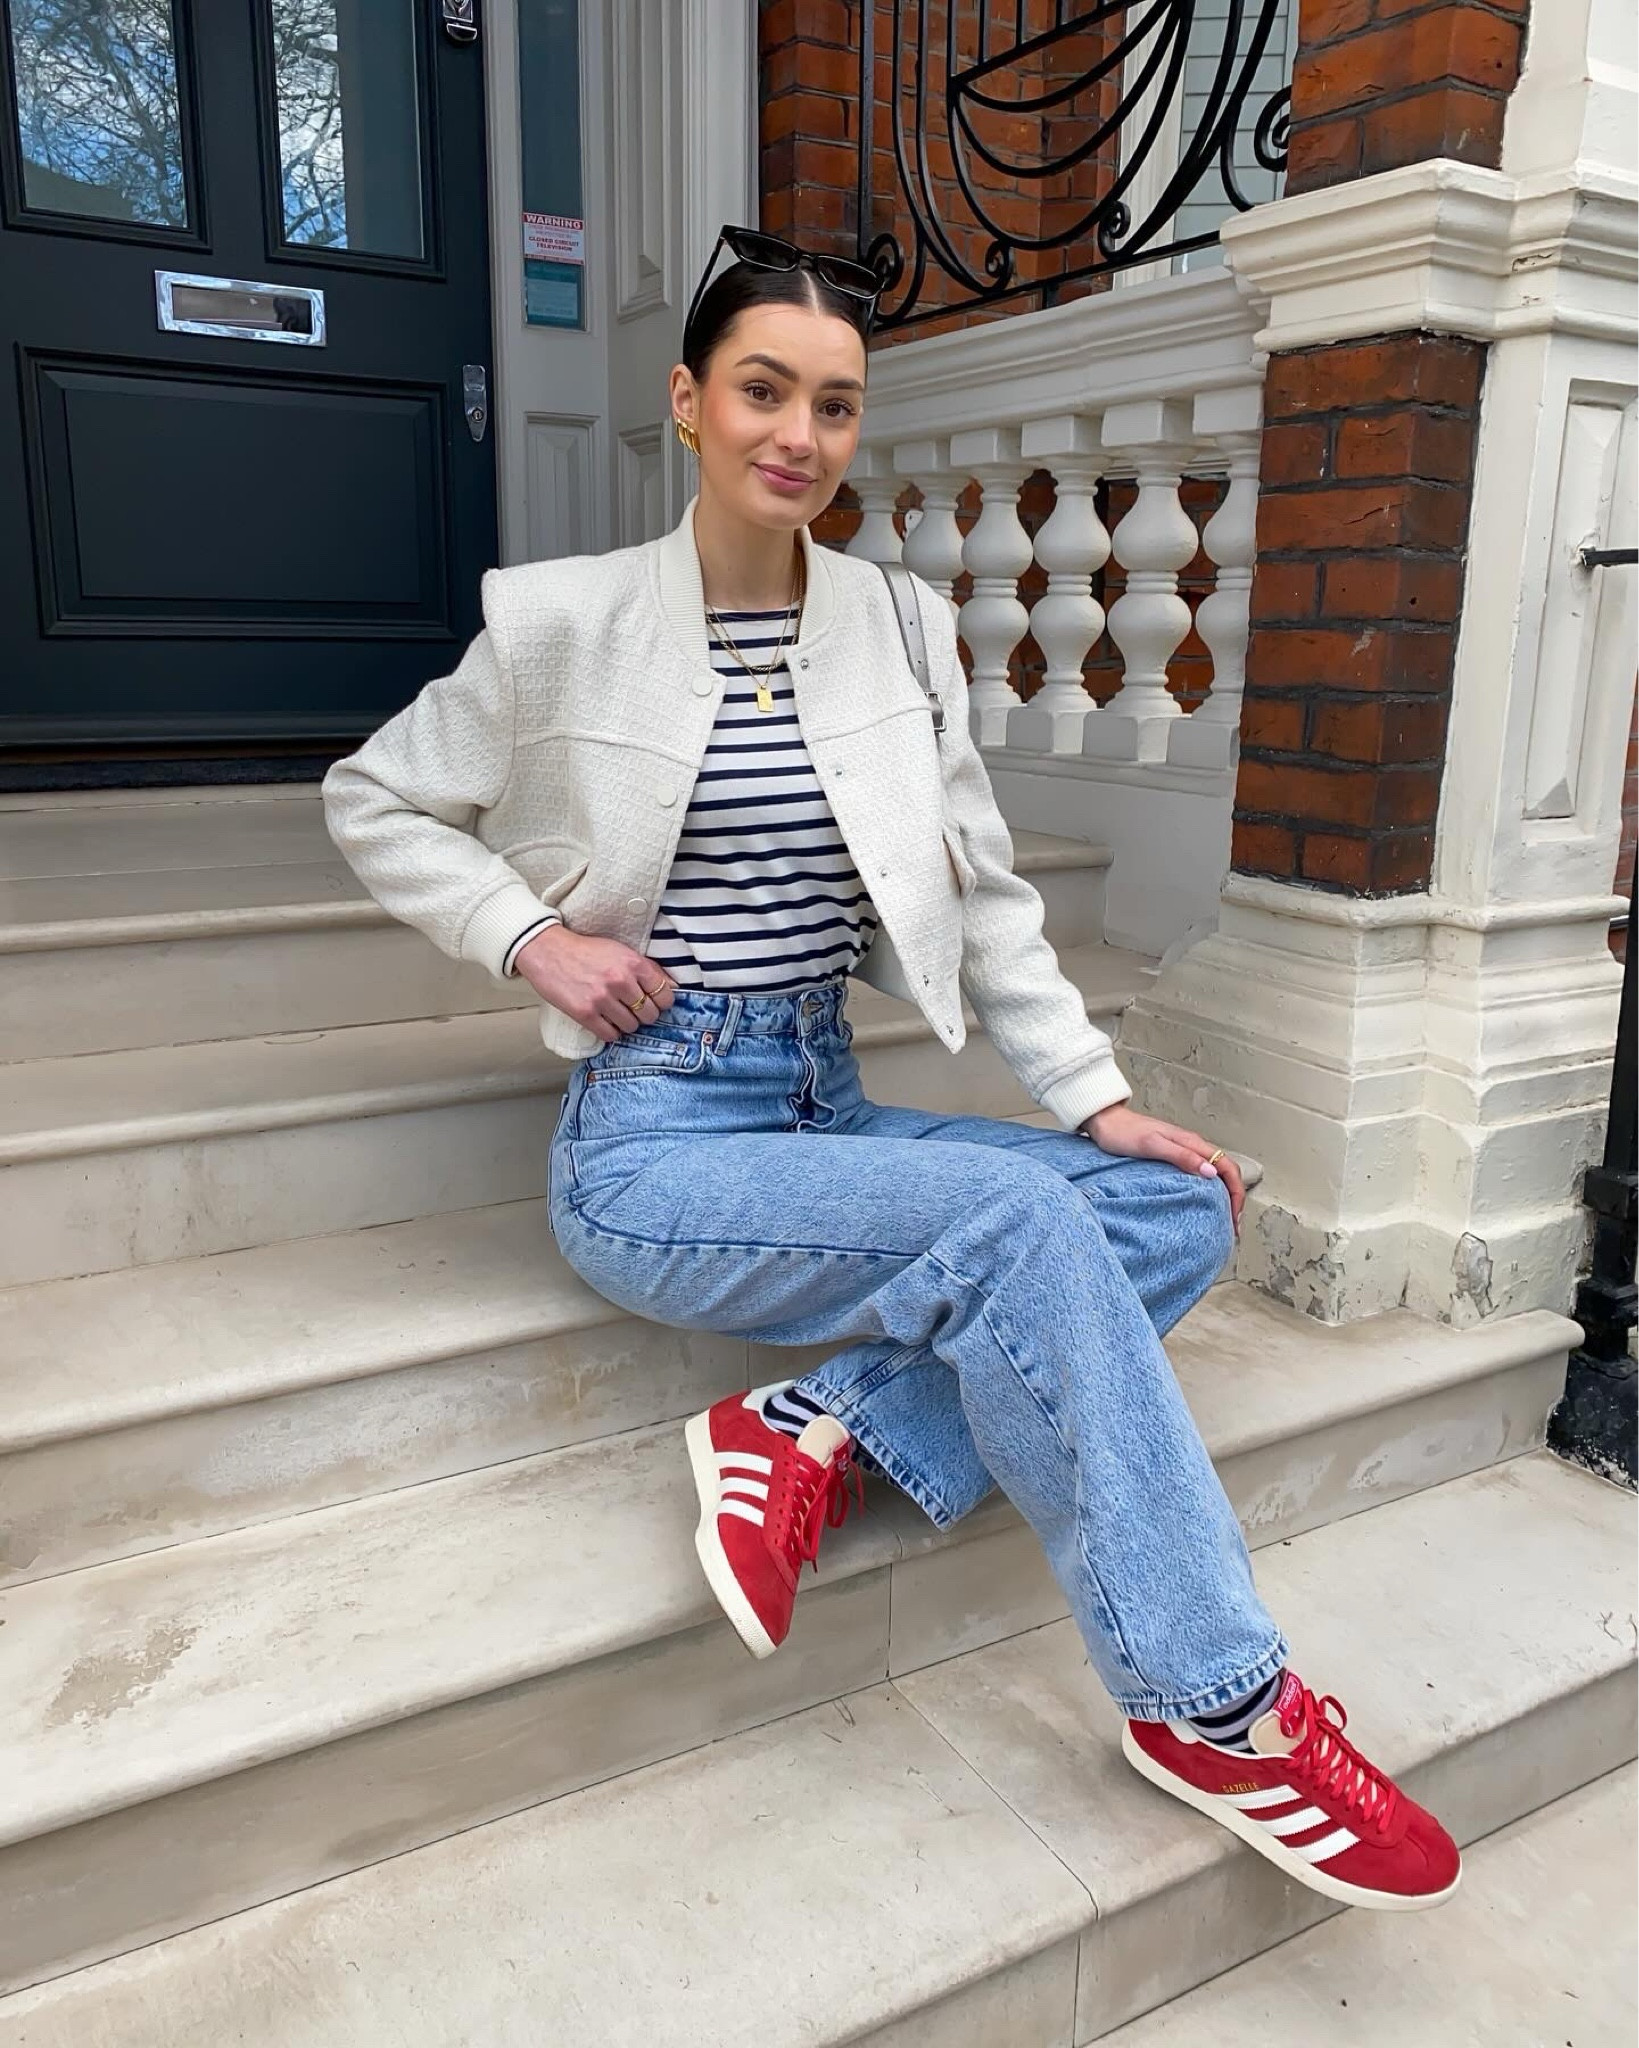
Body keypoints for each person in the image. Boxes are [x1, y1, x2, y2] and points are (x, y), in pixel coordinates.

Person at [322, 225, 1460, 1913]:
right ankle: (1213, 1704)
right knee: (1018, 1239)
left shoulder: (897, 628)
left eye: (836, 406)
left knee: (1183, 1211)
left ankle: (819, 1423)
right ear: (688, 401)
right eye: (765, 391)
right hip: (659, 1143)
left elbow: (989, 897)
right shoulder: (558, 624)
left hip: (821, 1100)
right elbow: (375, 795)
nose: (799, 435)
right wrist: (530, 938)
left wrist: (1099, 1104)